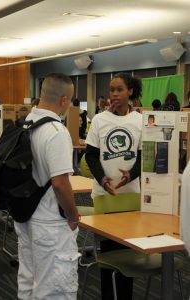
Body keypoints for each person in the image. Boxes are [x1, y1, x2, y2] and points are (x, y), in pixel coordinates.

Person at [14, 73, 80, 300]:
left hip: (25, 216)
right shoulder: (56, 132)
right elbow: (60, 183)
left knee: (28, 280)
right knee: (55, 288)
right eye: (69, 100)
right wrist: (73, 216)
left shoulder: (25, 124)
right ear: (63, 100)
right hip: (50, 223)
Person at [85, 72, 142, 300]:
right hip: (104, 196)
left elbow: (143, 156)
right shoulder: (99, 120)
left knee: (127, 256)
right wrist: (102, 179)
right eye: (111, 90)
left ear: (130, 92)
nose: (114, 94)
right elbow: (90, 156)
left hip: (131, 196)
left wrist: (131, 175)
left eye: (119, 89)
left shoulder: (139, 120)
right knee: (108, 257)